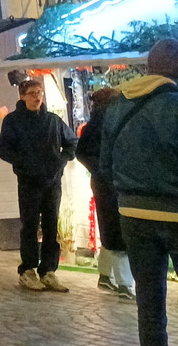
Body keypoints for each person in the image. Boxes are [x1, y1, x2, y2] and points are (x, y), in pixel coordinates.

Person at [100, 39, 178, 345]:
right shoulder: (174, 105)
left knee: (148, 304)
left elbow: (105, 164)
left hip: (132, 214)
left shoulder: (117, 106)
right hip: (174, 212)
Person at [0, 77, 78, 292]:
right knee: (30, 226)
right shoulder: (13, 121)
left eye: (39, 92)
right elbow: (4, 149)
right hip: (29, 182)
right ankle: (28, 269)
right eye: (32, 93)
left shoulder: (53, 120)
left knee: (51, 226)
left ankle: (49, 270)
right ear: (22, 97)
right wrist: (24, 163)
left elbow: (72, 142)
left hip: (52, 182)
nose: (37, 97)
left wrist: (62, 159)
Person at [76, 87, 134, 299]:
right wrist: (103, 169)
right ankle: (124, 284)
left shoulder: (100, 122)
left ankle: (106, 276)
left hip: (106, 182)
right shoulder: (104, 123)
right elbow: (82, 151)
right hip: (109, 183)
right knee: (116, 231)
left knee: (110, 229)